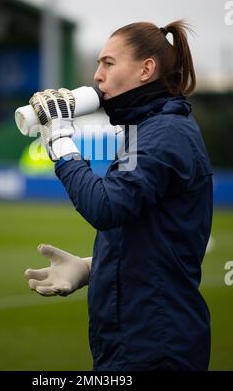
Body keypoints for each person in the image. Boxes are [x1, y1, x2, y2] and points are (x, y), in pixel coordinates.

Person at [24, 20, 213, 371]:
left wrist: (60, 142)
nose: (97, 75)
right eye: (98, 64)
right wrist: (91, 268)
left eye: (108, 63)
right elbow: (153, 245)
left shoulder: (164, 133)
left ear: (146, 69)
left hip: (155, 346)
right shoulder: (147, 128)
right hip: (139, 341)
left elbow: (106, 206)